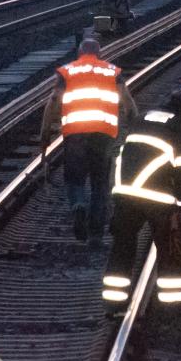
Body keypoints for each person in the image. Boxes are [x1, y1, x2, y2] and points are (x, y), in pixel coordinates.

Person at [101, 83, 181, 314]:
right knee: (169, 250)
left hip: (124, 194)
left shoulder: (146, 116)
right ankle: (171, 306)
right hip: (158, 197)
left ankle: (114, 303)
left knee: (122, 248)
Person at [40, 38, 137, 246]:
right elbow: (127, 102)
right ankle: (95, 235)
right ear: (99, 53)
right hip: (104, 134)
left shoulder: (68, 71)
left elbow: (53, 102)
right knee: (100, 184)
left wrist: (45, 134)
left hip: (75, 134)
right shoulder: (112, 71)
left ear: (79, 53)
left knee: (74, 179)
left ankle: (78, 205)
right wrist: (134, 125)